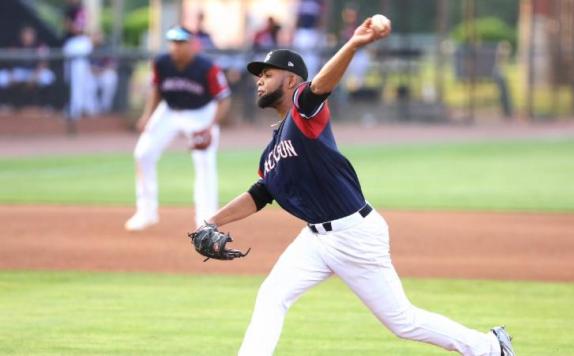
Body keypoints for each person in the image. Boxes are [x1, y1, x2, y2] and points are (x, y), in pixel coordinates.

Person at [201, 17, 515, 356]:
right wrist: (212, 222)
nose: (259, 81)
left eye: (267, 74)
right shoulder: (271, 151)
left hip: (355, 235)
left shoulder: (303, 112)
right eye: (258, 76)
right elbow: (259, 194)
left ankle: (490, 348)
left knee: (402, 322)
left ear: (291, 79)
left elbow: (321, 85)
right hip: (315, 240)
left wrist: (354, 43)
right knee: (272, 295)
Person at [125, 26, 231, 231]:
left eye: (181, 42)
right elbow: (157, 90)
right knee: (142, 153)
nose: (176, 46)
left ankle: (206, 218)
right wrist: (147, 115)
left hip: (201, 113)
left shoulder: (207, 67)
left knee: (205, 163)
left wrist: (210, 127)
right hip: (169, 111)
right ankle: (146, 212)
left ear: (192, 44)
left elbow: (224, 100)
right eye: (173, 42)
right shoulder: (162, 63)